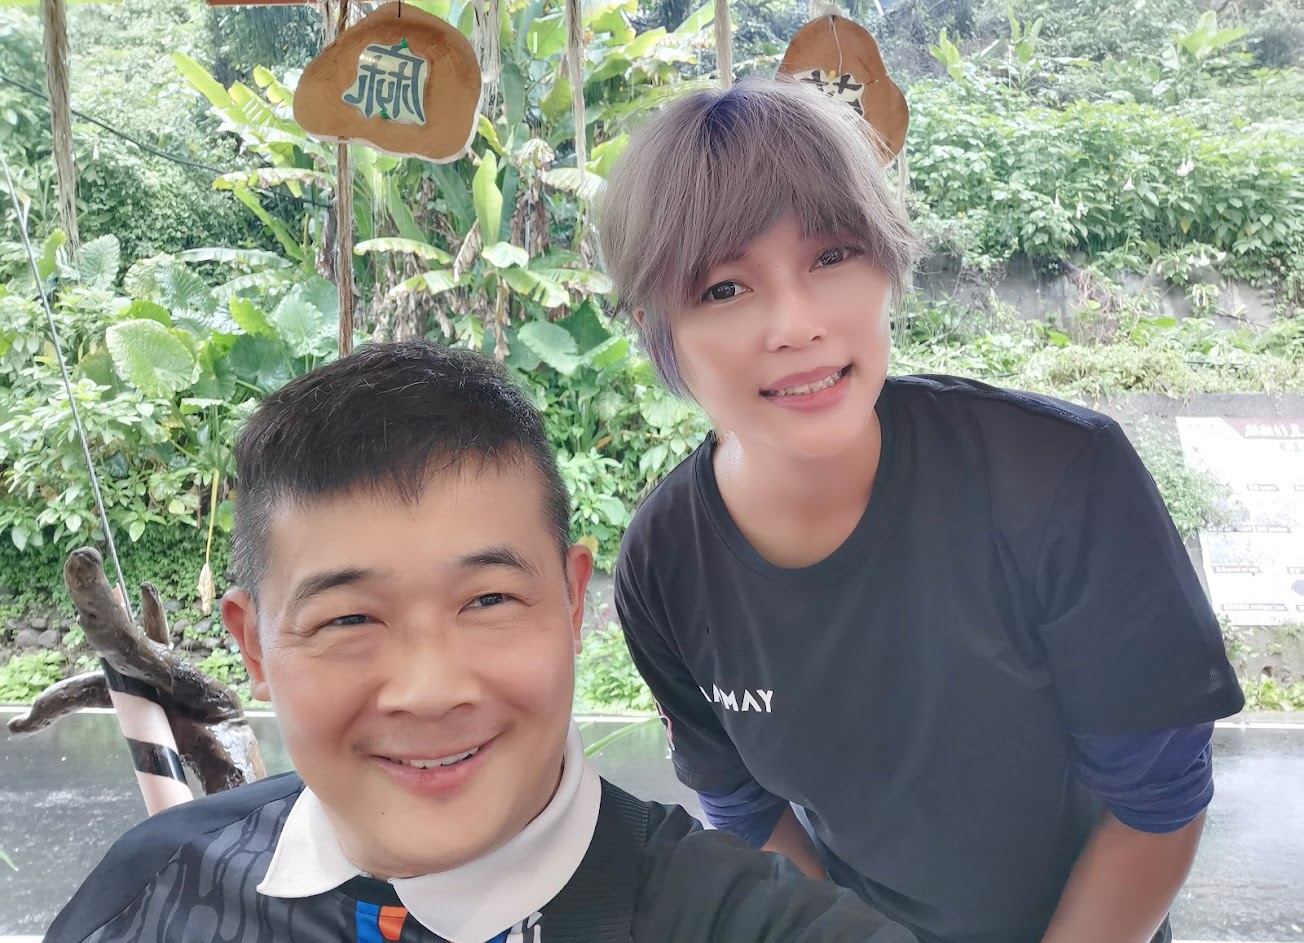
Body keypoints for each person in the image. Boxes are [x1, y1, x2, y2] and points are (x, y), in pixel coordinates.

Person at [596, 77, 1245, 943]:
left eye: (831, 256)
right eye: (724, 289)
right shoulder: (666, 561)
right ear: (658, 327)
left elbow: (1156, 801)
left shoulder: (1059, 478)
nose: (796, 324)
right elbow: (744, 805)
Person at [43, 341, 918, 943]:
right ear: (255, 647)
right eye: (349, 618)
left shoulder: (751, 925)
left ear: (572, 602)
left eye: (489, 598)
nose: (429, 689)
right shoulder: (150, 895)